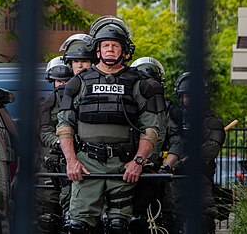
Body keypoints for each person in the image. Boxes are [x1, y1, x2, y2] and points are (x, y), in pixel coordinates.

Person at [56, 16, 165, 234]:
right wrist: (71, 162)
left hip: (123, 165)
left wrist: (138, 162)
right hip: (87, 164)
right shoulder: (78, 83)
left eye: (115, 45)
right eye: (105, 45)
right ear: (97, 50)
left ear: (124, 51)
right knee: (78, 226)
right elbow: (64, 125)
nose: (110, 50)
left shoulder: (139, 84)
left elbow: (151, 128)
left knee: (119, 226)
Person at [129, 57, 181, 233]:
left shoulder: (169, 110)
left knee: (166, 215)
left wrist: (166, 167)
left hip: (155, 172)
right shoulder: (125, 104)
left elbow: (176, 141)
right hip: (125, 168)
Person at [171, 72, 226, 234]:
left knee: (204, 219)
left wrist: (185, 162)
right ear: (180, 97)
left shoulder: (211, 121)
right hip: (173, 180)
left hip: (199, 178)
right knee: (170, 218)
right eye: (187, 95)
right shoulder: (172, 120)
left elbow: (211, 149)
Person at [36, 56, 74, 234]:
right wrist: (58, 142)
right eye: (59, 80)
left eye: (66, 80)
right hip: (50, 164)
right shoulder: (45, 105)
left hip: (77, 164)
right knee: (48, 216)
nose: (62, 85)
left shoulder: (80, 101)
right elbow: (43, 132)